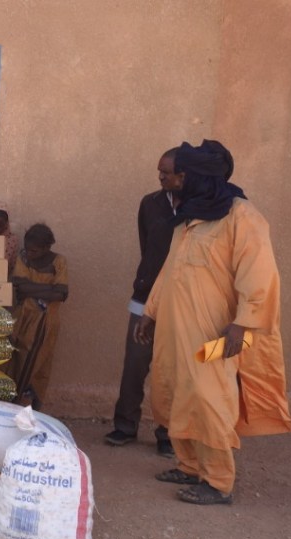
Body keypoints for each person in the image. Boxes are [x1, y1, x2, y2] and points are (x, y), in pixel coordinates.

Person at [136, 140, 291, 506]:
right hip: (177, 330)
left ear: (194, 176)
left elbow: (260, 275)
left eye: (175, 174)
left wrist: (243, 324)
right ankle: (189, 466)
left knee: (209, 400)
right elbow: (170, 270)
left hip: (218, 335)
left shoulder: (242, 216)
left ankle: (218, 482)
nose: (168, 180)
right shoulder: (189, 217)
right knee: (177, 394)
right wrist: (150, 311)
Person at [104, 149, 178, 455]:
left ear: (184, 175)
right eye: (159, 170)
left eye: (166, 172)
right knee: (135, 365)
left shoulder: (200, 208)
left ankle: (167, 434)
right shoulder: (150, 203)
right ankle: (125, 425)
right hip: (145, 297)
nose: (160, 176)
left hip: (180, 302)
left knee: (171, 371)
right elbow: (147, 246)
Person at [7, 224, 68, 410]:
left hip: (46, 322)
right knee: (17, 360)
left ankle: (34, 408)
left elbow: (61, 294)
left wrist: (31, 289)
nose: (29, 253)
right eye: (27, 248)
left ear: (46, 248)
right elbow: (20, 286)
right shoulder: (24, 258)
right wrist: (49, 289)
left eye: (34, 250)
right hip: (23, 318)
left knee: (40, 364)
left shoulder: (59, 262)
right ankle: (14, 404)